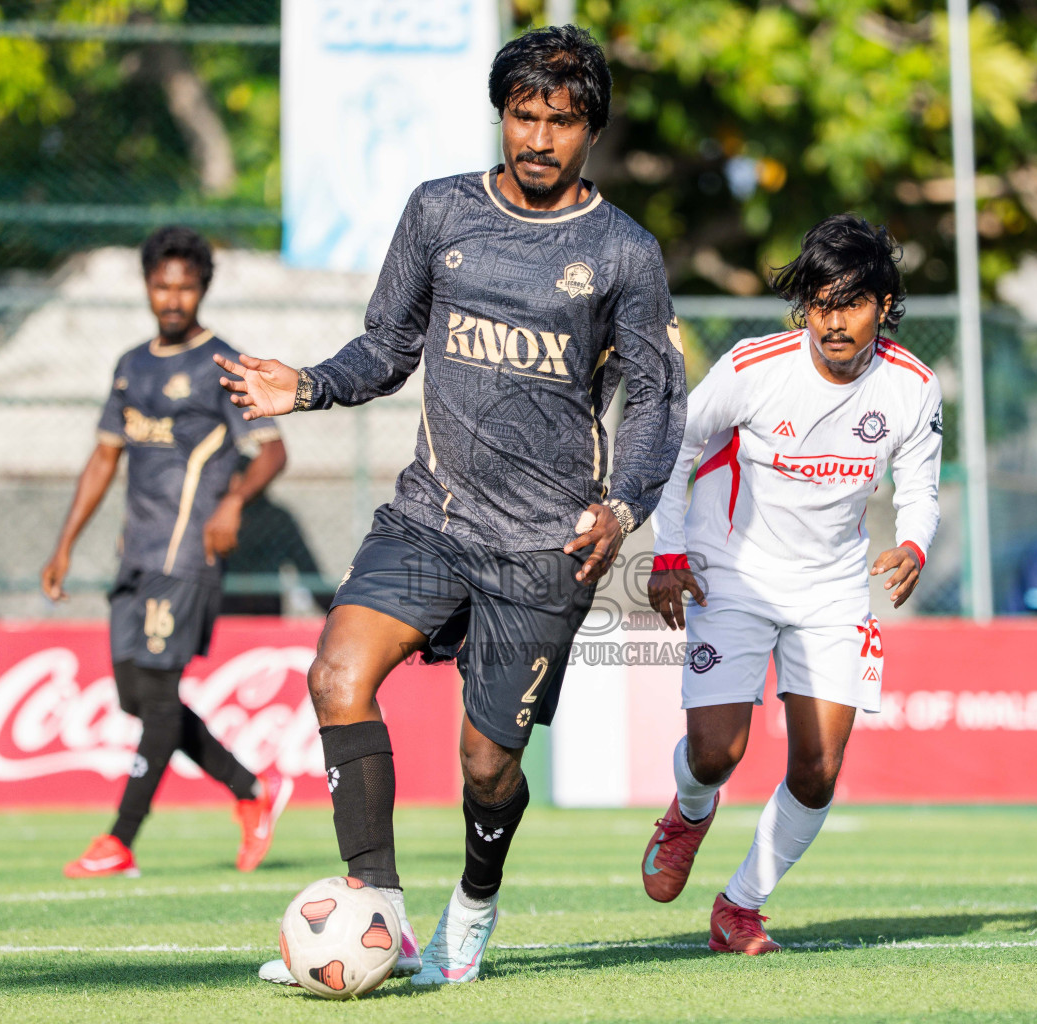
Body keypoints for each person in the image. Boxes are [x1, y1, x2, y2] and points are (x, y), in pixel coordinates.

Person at [216, 26, 685, 986]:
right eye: (524, 115)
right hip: (431, 516)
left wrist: (624, 508)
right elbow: (385, 349)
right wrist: (304, 386)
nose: (539, 138)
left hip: (547, 546)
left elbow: (655, 402)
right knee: (337, 671)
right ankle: (377, 910)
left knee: (484, 765)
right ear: (501, 114)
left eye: (561, 121)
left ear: (590, 130)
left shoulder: (624, 253)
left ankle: (472, 904)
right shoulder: (438, 214)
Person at [640, 214, 941, 954]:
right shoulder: (754, 366)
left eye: (853, 302)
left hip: (832, 586)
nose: (835, 321)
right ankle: (689, 808)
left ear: (885, 306)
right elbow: (676, 444)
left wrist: (913, 544)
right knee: (716, 754)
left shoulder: (913, 389)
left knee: (818, 768)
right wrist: (669, 552)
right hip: (732, 573)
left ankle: (740, 906)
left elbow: (920, 490)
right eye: (820, 301)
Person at [41, 226, 293, 879]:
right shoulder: (131, 365)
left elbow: (273, 449)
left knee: (156, 695)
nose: (173, 298)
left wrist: (234, 500)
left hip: (187, 558)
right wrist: (65, 544)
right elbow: (104, 457)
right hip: (135, 558)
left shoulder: (223, 362)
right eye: (162, 285)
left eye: (185, 286)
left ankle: (120, 839)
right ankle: (248, 788)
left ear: (201, 289)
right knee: (135, 696)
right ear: (147, 288)